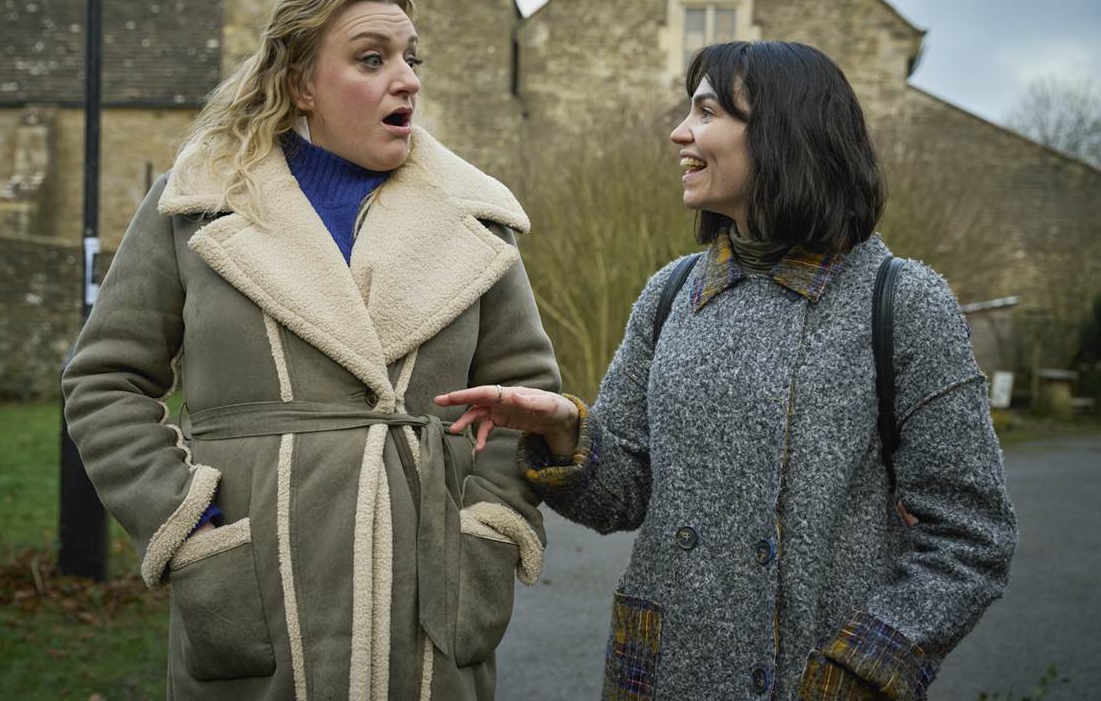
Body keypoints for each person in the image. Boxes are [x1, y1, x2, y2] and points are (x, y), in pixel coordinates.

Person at [435, 41, 1017, 700]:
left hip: (814, 680)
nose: (680, 132)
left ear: (783, 132)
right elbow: (623, 493)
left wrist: (862, 665)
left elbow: (972, 536)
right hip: (663, 675)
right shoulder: (670, 292)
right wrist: (566, 430)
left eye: (707, 112)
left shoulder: (903, 301)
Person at [62, 0, 558, 701]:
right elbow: (105, 380)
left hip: (430, 606)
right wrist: (187, 523)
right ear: (300, 83)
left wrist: (489, 530)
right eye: (372, 59)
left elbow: (527, 397)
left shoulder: (475, 219)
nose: (407, 80)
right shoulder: (198, 205)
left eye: (410, 58)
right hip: (255, 593)